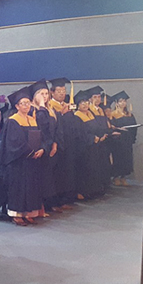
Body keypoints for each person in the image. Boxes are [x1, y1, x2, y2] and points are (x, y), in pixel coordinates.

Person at [0, 86, 44, 226]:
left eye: (28, 102)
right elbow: (14, 142)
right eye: (22, 103)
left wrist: (41, 149)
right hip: (18, 161)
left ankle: (29, 212)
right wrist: (30, 152)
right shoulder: (13, 120)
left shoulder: (32, 119)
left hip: (32, 161)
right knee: (19, 187)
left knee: (31, 186)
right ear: (17, 106)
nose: (26, 105)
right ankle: (17, 214)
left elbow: (39, 138)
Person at [29, 79, 61, 216]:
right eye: (41, 93)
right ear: (35, 96)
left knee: (49, 177)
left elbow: (55, 128)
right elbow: (41, 128)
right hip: (39, 147)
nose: (45, 96)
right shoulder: (33, 110)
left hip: (49, 146)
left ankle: (48, 204)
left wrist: (54, 143)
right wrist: (42, 106)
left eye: (46, 93)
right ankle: (39, 206)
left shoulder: (50, 110)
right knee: (40, 178)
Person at [72, 89, 109, 199]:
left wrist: (101, 135)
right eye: (82, 103)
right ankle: (84, 191)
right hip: (84, 148)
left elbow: (97, 127)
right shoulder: (77, 116)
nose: (85, 105)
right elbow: (79, 133)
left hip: (95, 147)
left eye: (86, 102)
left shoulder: (90, 114)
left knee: (95, 168)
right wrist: (92, 138)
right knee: (85, 169)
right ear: (78, 105)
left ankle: (95, 189)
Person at [47, 77, 77, 207]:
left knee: (67, 171)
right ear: (52, 92)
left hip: (69, 143)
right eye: (58, 91)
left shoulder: (66, 105)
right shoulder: (50, 106)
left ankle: (66, 198)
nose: (62, 93)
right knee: (57, 173)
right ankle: (56, 200)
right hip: (58, 144)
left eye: (63, 90)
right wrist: (62, 114)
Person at [109, 91, 138, 186]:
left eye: (124, 101)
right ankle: (116, 177)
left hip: (127, 140)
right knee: (118, 158)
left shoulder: (129, 114)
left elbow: (134, 127)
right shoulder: (113, 114)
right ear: (116, 103)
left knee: (127, 159)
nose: (123, 103)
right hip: (118, 140)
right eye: (120, 101)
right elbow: (111, 126)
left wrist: (133, 137)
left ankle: (123, 177)